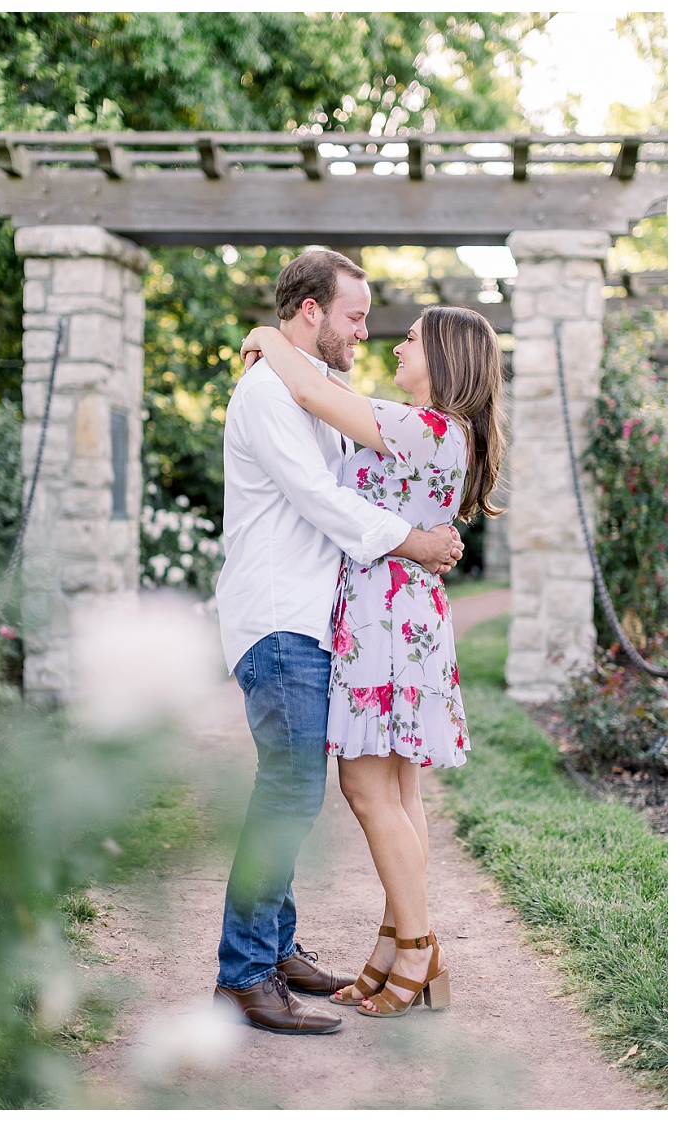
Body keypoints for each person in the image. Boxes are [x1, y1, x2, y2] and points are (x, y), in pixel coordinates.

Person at [210, 249, 464, 1036]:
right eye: (355, 315)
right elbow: (321, 501)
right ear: (313, 311)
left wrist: (269, 341)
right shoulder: (267, 394)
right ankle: (244, 973)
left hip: (317, 622)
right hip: (281, 620)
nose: (366, 330)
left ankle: (277, 949)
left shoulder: (308, 390)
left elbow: (354, 452)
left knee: (294, 791)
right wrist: (414, 541)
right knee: (289, 793)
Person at [240, 303, 505, 1018]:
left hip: (383, 614)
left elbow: (317, 393)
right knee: (399, 791)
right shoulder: (449, 435)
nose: (396, 347)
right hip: (403, 610)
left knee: (365, 786)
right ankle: (398, 942)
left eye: (413, 339)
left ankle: (416, 944)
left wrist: (267, 335)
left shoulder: (425, 428)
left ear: (444, 356)